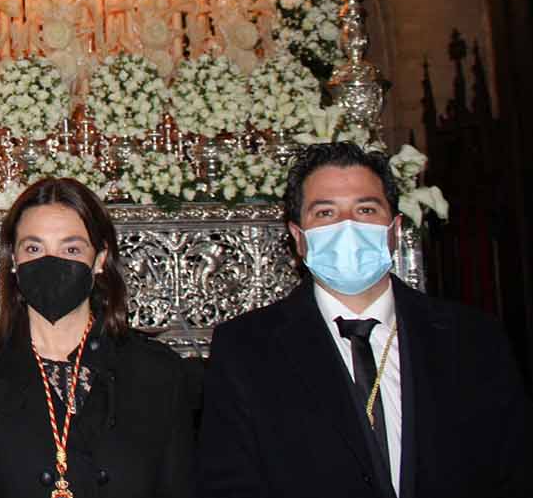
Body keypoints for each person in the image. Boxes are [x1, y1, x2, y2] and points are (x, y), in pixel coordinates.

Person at [198, 141, 531, 497]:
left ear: (394, 228)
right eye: (325, 213)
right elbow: (230, 484)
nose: (347, 228)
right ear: (298, 237)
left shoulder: (473, 339)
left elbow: (514, 471)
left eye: (366, 210)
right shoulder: (246, 348)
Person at [0, 177, 195, 498]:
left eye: (71, 249)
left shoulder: (157, 373)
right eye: (34, 248)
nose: (50, 262)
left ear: (98, 259)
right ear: (13, 260)